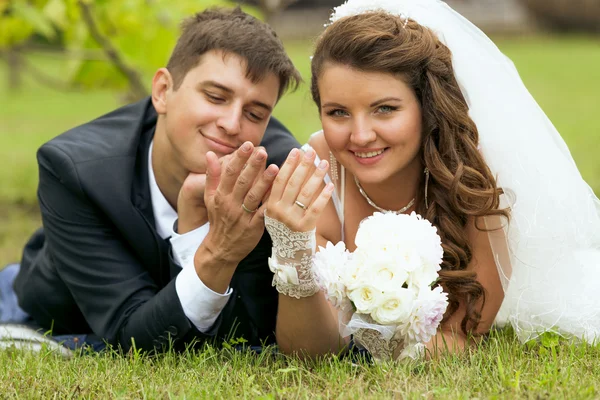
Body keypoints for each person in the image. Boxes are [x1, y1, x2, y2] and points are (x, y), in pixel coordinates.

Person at [264, 0, 600, 359]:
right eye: (338, 113)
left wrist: (389, 355)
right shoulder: (319, 170)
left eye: (385, 109)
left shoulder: (475, 176)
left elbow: (460, 335)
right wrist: (292, 254)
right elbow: (308, 352)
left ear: (427, 105)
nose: (360, 136)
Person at [5, 7, 302, 353]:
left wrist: (197, 230)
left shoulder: (275, 171)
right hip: (67, 307)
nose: (232, 124)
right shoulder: (75, 172)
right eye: (216, 97)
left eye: (254, 113)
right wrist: (219, 250)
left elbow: (248, 332)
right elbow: (131, 337)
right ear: (162, 90)